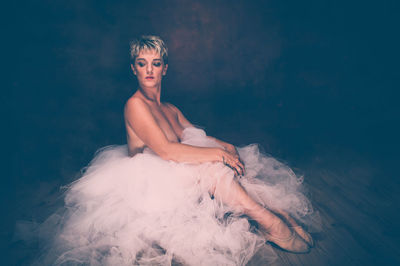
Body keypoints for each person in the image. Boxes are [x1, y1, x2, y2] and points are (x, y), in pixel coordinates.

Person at [35, 35, 318, 265]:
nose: (148, 70)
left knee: (229, 158)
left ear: (164, 69)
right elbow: (169, 151)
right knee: (213, 166)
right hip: (149, 184)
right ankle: (270, 223)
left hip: (175, 170)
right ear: (133, 68)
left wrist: (225, 147)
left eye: (155, 63)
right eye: (141, 63)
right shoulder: (135, 105)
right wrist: (218, 155)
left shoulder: (169, 108)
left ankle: (278, 214)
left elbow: (195, 135)